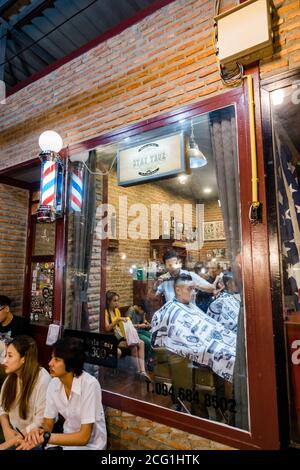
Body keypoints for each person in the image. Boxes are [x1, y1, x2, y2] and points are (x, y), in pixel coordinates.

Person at [18, 336, 107, 450]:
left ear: (71, 364)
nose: (50, 363)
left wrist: (46, 437)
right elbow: (48, 423)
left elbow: (84, 437)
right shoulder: (54, 384)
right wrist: (39, 432)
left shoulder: (89, 385)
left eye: (57, 360)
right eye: (52, 358)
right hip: (65, 442)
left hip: (91, 446)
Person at [151, 273, 237, 382]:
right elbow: (180, 339)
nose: (194, 292)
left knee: (236, 345)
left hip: (211, 340)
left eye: (194, 289)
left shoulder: (190, 306)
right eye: (190, 289)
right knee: (231, 357)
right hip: (199, 349)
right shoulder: (171, 311)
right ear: (178, 290)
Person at [0, 335, 51, 448]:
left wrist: (9, 443)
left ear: (24, 358)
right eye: (5, 355)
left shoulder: (43, 380)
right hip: (14, 433)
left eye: (10, 356)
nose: (5, 360)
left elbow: (41, 422)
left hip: (34, 437)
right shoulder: (11, 377)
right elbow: (2, 408)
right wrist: (6, 429)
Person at [104, 291, 150, 380]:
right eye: (114, 301)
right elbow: (107, 328)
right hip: (112, 339)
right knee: (134, 346)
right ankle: (138, 372)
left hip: (120, 336)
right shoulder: (105, 312)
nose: (117, 303)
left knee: (141, 343)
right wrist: (117, 320)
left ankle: (142, 371)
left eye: (117, 300)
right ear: (108, 301)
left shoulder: (116, 311)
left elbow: (120, 326)